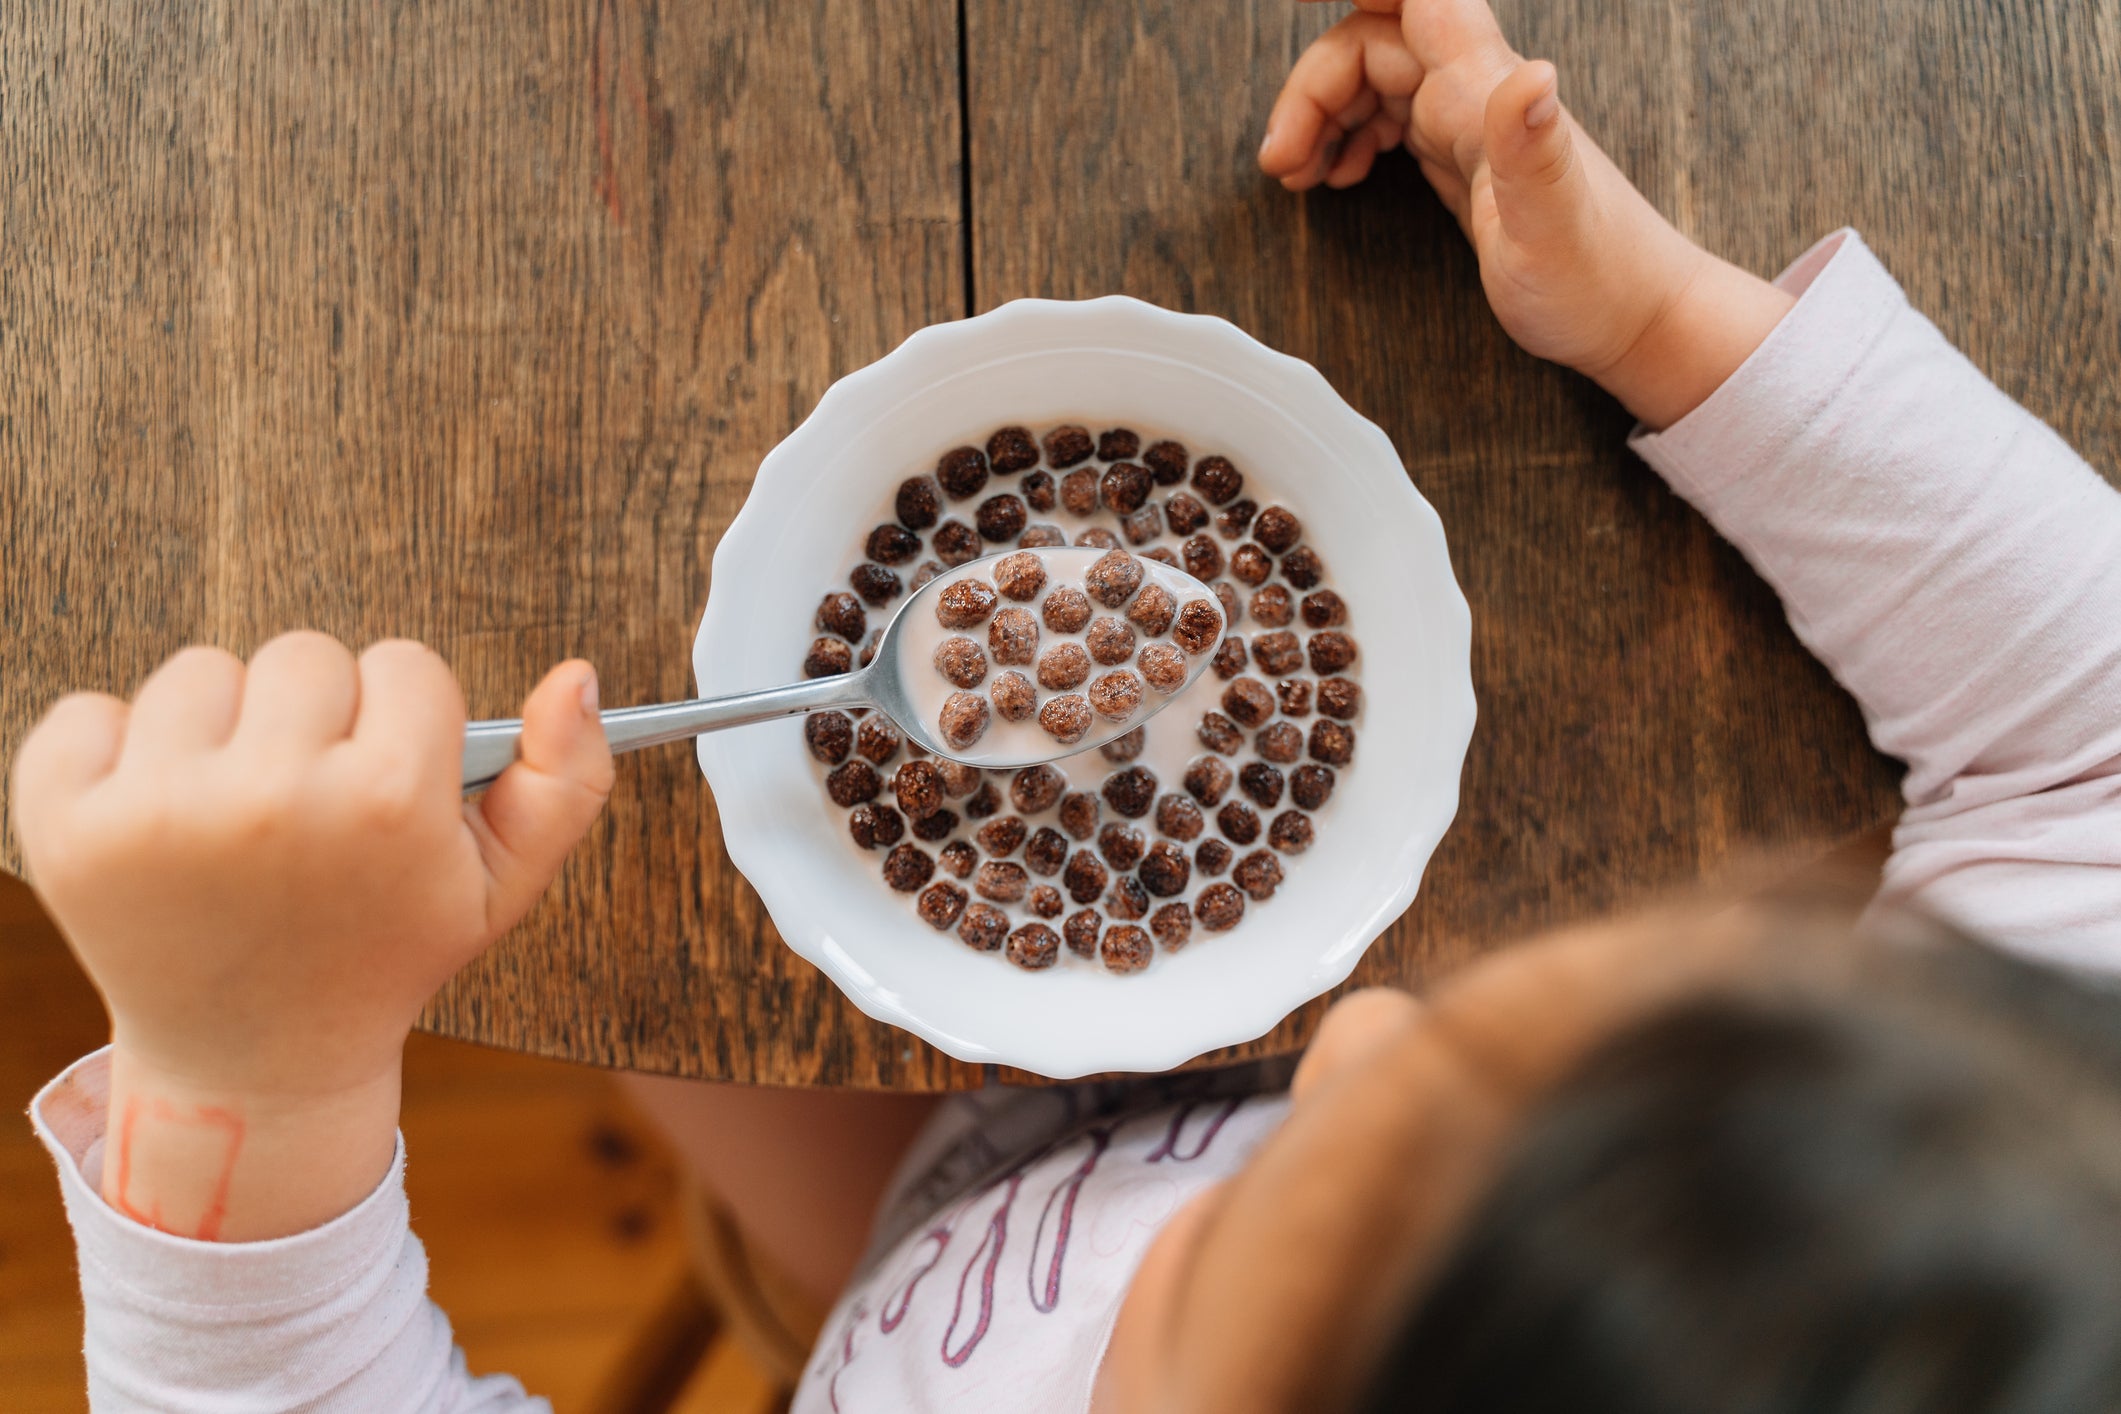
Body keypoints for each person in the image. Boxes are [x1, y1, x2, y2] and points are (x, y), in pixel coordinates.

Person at [14, 0, 2120, 1405]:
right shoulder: (1997, 1188)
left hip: (888, 1287)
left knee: (591, 879)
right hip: (994, 1183)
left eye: (1253, 1268)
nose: (1352, 1028)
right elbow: (2092, 748)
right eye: (1582, 1024)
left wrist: (249, 1087)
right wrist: (1660, 318)